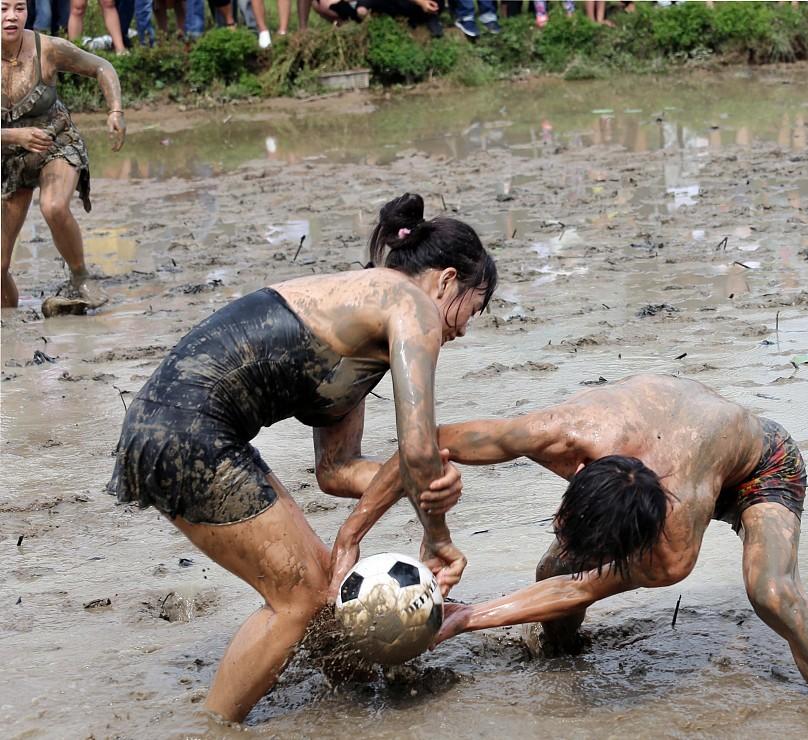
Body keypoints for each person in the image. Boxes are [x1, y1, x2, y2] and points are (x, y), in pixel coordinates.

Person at [107, 193, 496, 722]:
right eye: (473, 307)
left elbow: (337, 470)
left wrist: (414, 483)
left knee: (317, 583)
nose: (463, 328)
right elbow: (419, 446)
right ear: (448, 280)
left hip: (169, 424)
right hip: (188, 428)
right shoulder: (412, 304)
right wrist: (437, 535)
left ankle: (355, 702)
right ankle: (214, 728)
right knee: (302, 596)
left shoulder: (365, 319)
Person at [336, 374, 808, 706]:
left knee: (773, 593)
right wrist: (353, 531)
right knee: (551, 568)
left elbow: (582, 588)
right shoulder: (560, 432)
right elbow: (424, 444)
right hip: (680, 452)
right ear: (578, 470)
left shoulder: (672, 548)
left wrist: (468, 617)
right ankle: (562, 655)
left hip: (761, 465)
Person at [2, 0, 125, 314]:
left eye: (19, 8)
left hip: (54, 140)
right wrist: (13, 136)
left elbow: (102, 67)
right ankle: (10, 323)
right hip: (8, 155)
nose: (11, 16)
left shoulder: (47, 48)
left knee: (54, 206)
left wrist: (115, 111)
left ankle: (80, 278)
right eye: (3, 8)